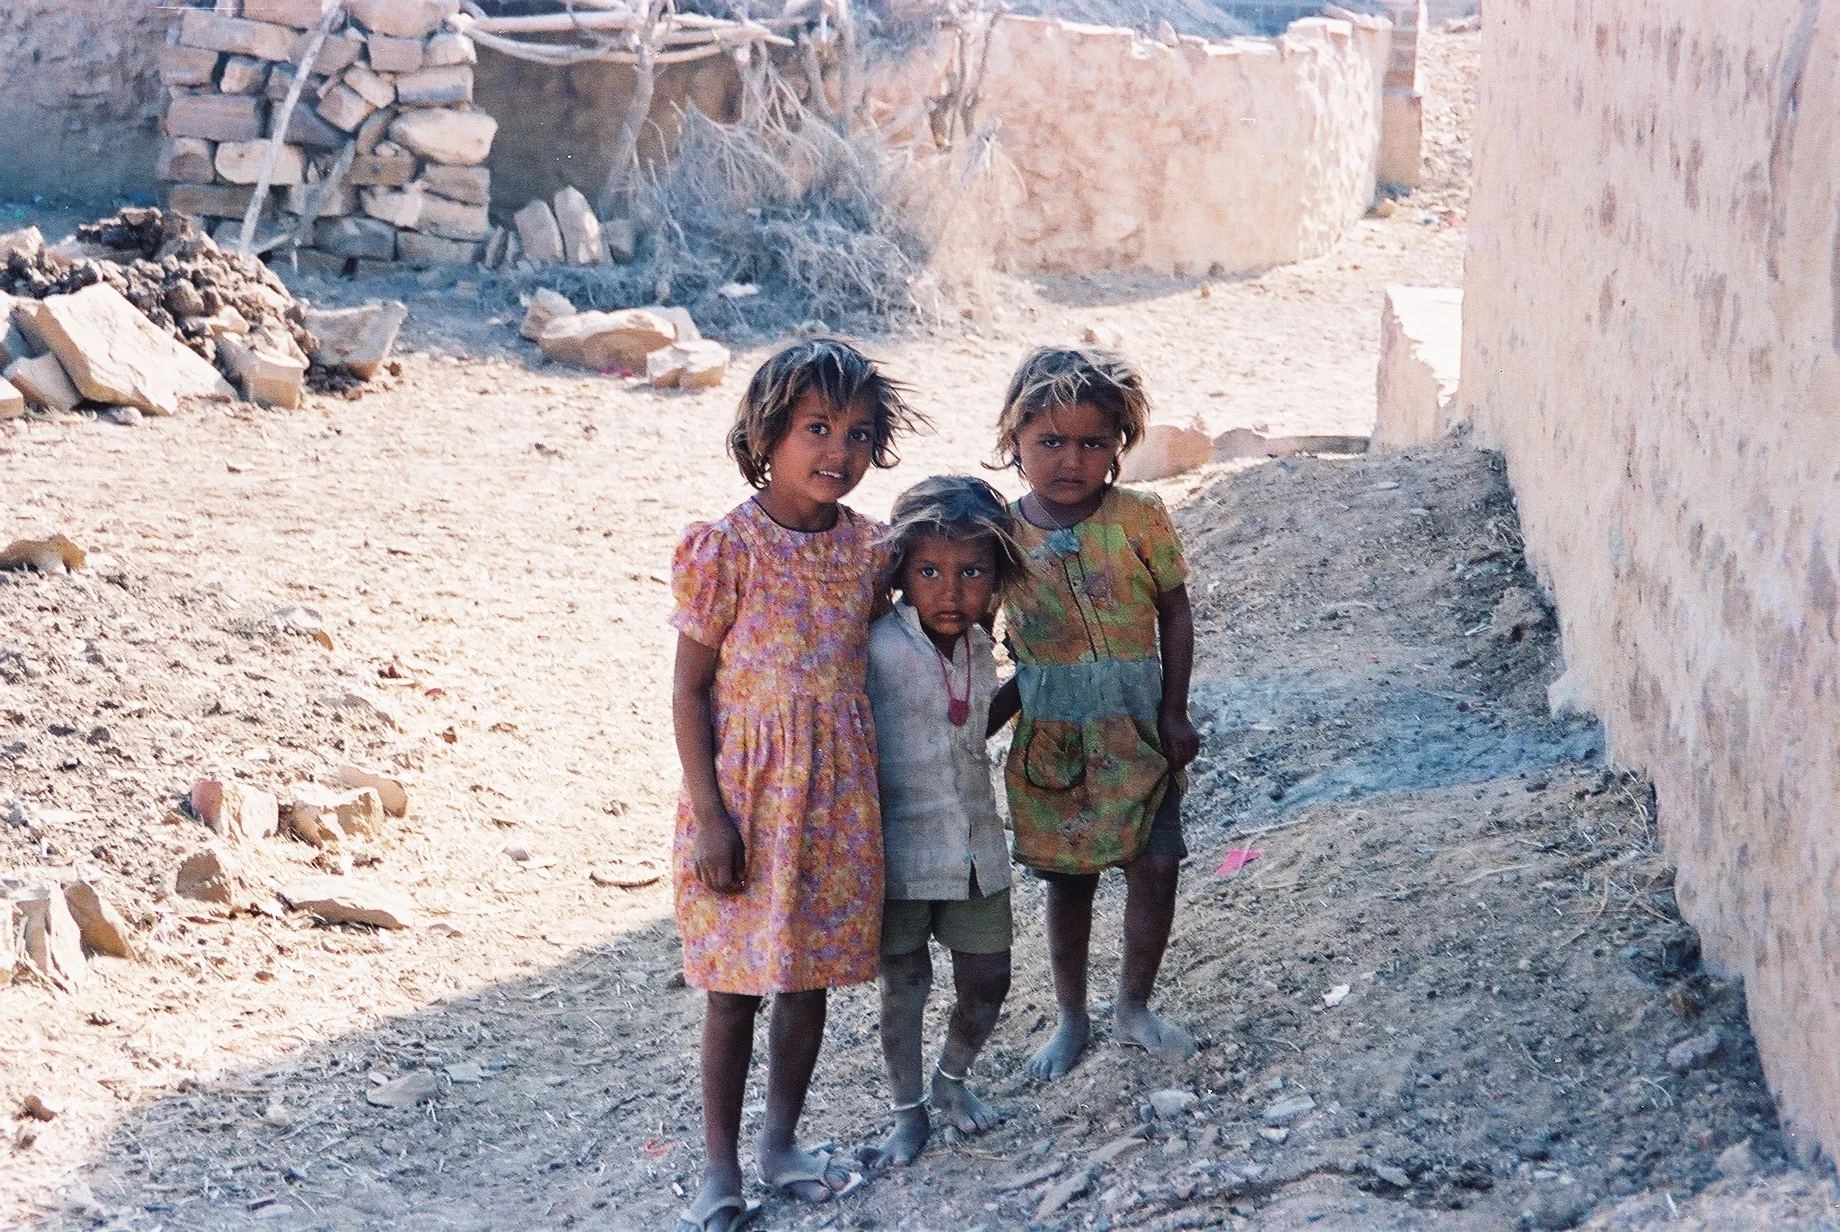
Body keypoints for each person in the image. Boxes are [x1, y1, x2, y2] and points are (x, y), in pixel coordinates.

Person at [668, 340, 925, 1232]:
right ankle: (719, 1164)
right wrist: (711, 817)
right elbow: (689, 689)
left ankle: (781, 1143)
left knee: (806, 978)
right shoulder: (724, 550)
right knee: (734, 987)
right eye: (816, 428)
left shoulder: (870, 553)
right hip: (744, 800)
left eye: (859, 433)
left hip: (836, 802)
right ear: (766, 435)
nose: (839, 452)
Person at [993, 345, 1201, 1080]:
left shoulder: (1140, 518)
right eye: (1050, 440)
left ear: (1119, 446)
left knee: (1158, 863)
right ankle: (1071, 1016)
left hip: (1139, 731)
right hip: (1054, 742)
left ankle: (1134, 1006)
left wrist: (1174, 709)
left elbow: (1174, 612)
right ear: (1013, 439)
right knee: (1069, 878)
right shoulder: (1001, 534)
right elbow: (992, 641)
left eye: (1092, 442)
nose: (1071, 459)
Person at [857, 476, 1028, 1170]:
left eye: (970, 573)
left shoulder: (981, 644)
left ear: (997, 578)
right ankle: (907, 1113)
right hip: (899, 851)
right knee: (904, 988)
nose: (949, 591)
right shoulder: (876, 649)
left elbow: (971, 726)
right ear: (900, 568)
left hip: (975, 849)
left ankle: (951, 1082)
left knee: (988, 978)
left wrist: (1027, 683)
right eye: (928, 571)